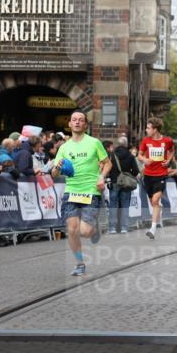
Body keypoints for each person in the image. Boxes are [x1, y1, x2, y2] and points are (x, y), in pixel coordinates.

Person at [51, 110, 110, 277]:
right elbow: (54, 175)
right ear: (69, 124)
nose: (77, 122)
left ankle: (94, 228)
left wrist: (101, 177)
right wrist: (57, 166)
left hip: (91, 191)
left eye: (81, 120)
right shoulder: (63, 147)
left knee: (84, 232)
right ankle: (79, 263)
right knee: (72, 230)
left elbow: (107, 163)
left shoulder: (94, 143)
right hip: (71, 192)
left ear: (85, 125)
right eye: (74, 120)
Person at [137, 117, 175, 240]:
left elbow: (171, 150)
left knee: (155, 200)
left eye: (148, 128)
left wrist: (168, 161)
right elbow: (140, 155)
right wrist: (145, 160)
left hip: (161, 174)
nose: (146, 130)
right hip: (148, 175)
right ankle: (158, 210)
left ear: (155, 129)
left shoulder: (167, 140)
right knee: (153, 202)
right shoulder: (146, 141)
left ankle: (153, 228)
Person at [107, 135, 139, 234]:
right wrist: (128, 175)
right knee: (125, 205)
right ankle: (124, 227)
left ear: (117, 144)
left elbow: (108, 168)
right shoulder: (130, 156)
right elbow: (136, 171)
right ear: (126, 144)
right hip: (126, 183)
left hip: (114, 182)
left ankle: (112, 228)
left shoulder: (112, 155)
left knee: (113, 205)